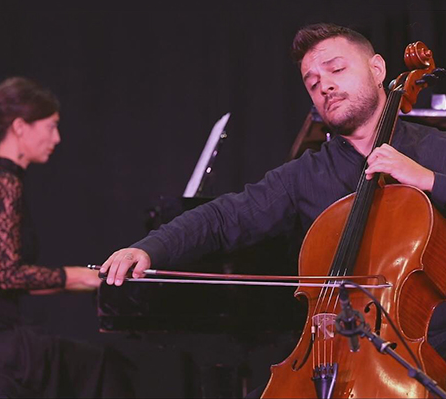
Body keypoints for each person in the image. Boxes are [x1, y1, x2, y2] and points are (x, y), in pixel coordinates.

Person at [100, 23, 446, 392]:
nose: (324, 85)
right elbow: (223, 217)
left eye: (336, 69)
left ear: (378, 70)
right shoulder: (305, 175)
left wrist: (427, 180)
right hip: (337, 349)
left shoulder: (434, 149)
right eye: (312, 83)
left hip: (432, 343)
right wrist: (150, 248)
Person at [0, 77, 134, 398]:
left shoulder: (6, 179)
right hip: (3, 345)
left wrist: (81, 280)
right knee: (104, 367)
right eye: (51, 126)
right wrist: (82, 277)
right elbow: (7, 274)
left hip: (6, 337)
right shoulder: (5, 182)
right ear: (20, 127)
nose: (56, 138)